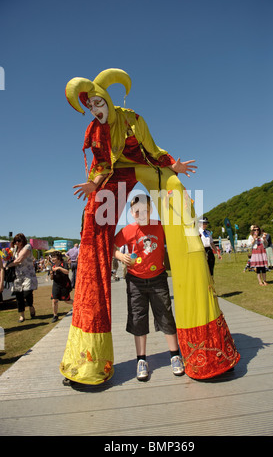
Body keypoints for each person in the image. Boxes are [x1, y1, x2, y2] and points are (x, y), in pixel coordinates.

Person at [60, 68, 239, 385]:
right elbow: (101, 164)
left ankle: (208, 354)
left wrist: (174, 166)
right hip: (113, 178)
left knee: (180, 205)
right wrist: (94, 184)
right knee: (92, 222)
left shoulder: (132, 118)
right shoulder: (97, 130)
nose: (96, 110)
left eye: (99, 102)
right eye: (90, 106)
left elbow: (152, 149)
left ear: (110, 99)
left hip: (146, 167)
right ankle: (88, 362)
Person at [114, 194, 184, 380]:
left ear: (151, 210)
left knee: (165, 315)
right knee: (138, 318)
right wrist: (120, 256)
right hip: (135, 281)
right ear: (132, 213)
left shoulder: (161, 226)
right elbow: (111, 245)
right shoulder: (128, 230)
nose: (141, 214)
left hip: (158, 278)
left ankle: (175, 355)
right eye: (137, 212)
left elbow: (178, 237)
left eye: (145, 211)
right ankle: (141, 360)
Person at [6, 234, 38, 323]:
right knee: (18, 296)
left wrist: (8, 265)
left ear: (23, 240)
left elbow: (20, 259)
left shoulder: (27, 247)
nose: (17, 243)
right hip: (17, 275)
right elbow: (9, 257)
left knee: (27, 293)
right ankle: (22, 315)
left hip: (28, 274)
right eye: (15, 241)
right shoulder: (14, 249)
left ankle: (31, 306)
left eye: (19, 241)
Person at [50, 251, 73, 322]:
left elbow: (67, 271)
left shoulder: (64, 264)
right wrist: (51, 274)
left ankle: (78, 306)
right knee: (54, 300)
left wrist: (59, 268)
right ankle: (55, 315)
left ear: (58, 258)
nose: (52, 259)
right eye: (52, 257)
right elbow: (51, 278)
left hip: (64, 285)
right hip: (56, 284)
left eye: (54, 257)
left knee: (67, 300)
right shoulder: (52, 266)